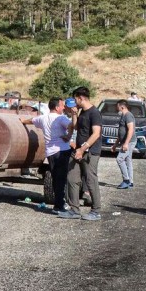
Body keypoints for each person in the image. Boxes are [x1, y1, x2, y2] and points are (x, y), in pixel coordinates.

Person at [22, 98, 72, 213]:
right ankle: (59, 205)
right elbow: (71, 125)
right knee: (61, 179)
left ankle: (59, 203)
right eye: (62, 105)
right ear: (57, 107)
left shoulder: (42, 118)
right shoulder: (61, 118)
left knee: (56, 178)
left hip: (50, 152)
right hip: (62, 151)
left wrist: (22, 121)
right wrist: (69, 136)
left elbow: (31, 120)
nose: (64, 107)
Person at [63, 87, 102, 221]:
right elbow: (76, 127)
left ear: (80, 98)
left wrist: (83, 149)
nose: (74, 102)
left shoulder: (94, 113)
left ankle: (96, 211)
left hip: (90, 152)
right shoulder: (82, 112)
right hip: (78, 150)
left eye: (75, 99)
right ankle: (74, 210)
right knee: (72, 178)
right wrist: (74, 114)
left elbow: (96, 133)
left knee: (90, 180)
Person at [115, 99, 136, 189]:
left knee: (119, 159)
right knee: (128, 160)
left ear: (122, 107)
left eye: (117, 106)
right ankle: (130, 182)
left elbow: (131, 130)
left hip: (129, 142)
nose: (117, 108)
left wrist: (126, 143)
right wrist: (115, 144)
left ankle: (126, 180)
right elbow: (121, 132)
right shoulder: (123, 116)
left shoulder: (128, 115)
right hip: (125, 142)